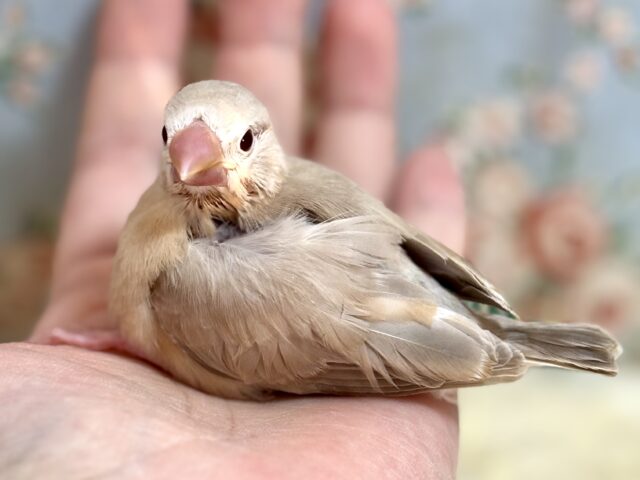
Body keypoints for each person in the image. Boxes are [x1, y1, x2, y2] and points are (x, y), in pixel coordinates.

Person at [2, 1, 463, 477]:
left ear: (262, 142)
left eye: (242, 144)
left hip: (400, 326)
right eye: (172, 139)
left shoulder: (189, 278)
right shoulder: (169, 231)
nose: (194, 164)